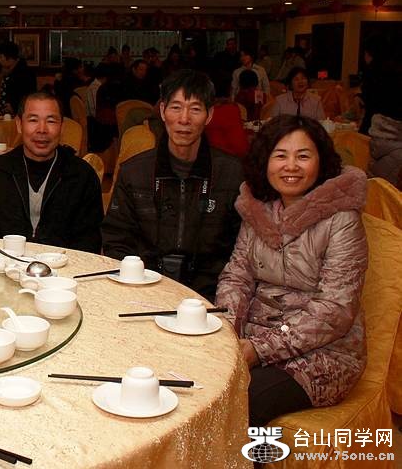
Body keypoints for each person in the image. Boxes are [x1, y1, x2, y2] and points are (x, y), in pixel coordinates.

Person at [216, 115, 367, 427]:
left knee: (241, 401)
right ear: (265, 161)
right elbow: (237, 276)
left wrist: (258, 349)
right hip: (254, 336)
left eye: (303, 156)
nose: (291, 166)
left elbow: (336, 308)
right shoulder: (258, 210)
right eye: (281, 155)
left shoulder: (342, 219)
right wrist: (228, 332)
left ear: (321, 162)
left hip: (324, 351)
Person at [101, 71, 244, 301]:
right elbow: (116, 239)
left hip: (208, 294)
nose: (184, 119)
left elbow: (239, 249)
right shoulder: (134, 172)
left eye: (195, 109)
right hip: (143, 290)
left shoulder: (232, 173)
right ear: (162, 111)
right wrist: (135, 286)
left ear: (209, 115)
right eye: (176, 107)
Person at [0, 92, 104, 252]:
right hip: (2, 262)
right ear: (19, 124)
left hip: (64, 265)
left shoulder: (82, 175)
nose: (42, 129)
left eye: (51, 121)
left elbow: (90, 242)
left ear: (62, 127)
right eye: (33, 120)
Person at [205, 75, 249, 158]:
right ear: (229, 89)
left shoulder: (202, 109)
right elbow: (240, 147)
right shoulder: (230, 109)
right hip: (227, 160)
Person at [0, 41, 36, 116]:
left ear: (10, 58)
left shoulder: (25, 73)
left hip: (18, 114)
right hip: (2, 113)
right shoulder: (2, 71)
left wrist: (14, 106)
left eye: (0, 57)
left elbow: (29, 97)